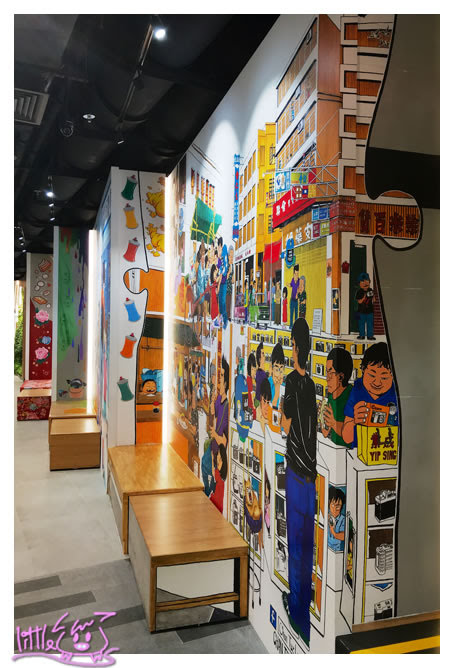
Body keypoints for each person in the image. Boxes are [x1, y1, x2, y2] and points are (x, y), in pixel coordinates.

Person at [280, 317, 317, 645]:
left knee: (295, 545)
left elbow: (285, 426)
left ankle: (296, 612)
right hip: (312, 478)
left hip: (294, 474)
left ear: (294, 346)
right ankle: (306, 612)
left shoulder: (291, 382)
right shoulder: (313, 385)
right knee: (308, 546)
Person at [342, 342, 398, 447]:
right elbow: (347, 438)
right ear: (363, 370)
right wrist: (354, 421)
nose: (377, 383)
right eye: (372, 375)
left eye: (384, 378)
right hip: (359, 452)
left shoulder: (396, 393)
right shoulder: (357, 391)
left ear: (393, 376)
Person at [201, 356, 229, 497]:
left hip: (218, 450)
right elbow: (213, 413)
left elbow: (224, 441)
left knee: (210, 472)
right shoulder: (219, 399)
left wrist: (215, 435)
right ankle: (208, 493)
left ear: (227, 382)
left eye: (221, 376)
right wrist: (212, 402)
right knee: (205, 465)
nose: (218, 379)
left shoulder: (228, 405)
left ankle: (208, 494)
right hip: (213, 447)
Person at [321, 348, 353, 447]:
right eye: (326, 373)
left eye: (331, 373)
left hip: (348, 451)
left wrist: (333, 423)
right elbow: (326, 433)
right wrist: (322, 419)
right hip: (333, 447)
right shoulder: (331, 395)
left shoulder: (352, 395)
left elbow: (352, 434)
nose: (327, 378)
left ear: (341, 377)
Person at [355, 272, 375, 341]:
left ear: (369, 282)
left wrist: (373, 297)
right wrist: (364, 297)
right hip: (361, 311)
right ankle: (362, 335)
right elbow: (359, 302)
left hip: (370, 311)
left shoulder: (370, 290)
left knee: (370, 324)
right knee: (361, 323)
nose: (365, 283)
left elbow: (374, 300)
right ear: (359, 284)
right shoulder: (359, 291)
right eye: (362, 282)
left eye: (367, 281)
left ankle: (370, 336)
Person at [209, 444, 228, 513]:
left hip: (216, 506)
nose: (217, 457)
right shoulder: (219, 474)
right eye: (217, 455)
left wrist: (212, 459)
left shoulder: (218, 475)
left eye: (219, 456)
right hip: (215, 503)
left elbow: (213, 471)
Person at [327, 487, 346, 552]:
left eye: (337, 506)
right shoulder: (327, 515)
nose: (334, 509)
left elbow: (343, 536)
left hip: (336, 550)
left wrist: (332, 530)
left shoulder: (343, 519)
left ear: (341, 506)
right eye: (332, 505)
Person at [269, 343, 285, 410]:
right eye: (276, 369)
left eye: (281, 368)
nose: (279, 374)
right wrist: (277, 391)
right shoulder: (267, 384)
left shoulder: (285, 387)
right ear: (271, 368)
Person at [246, 353, 257, 421]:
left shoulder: (250, 380)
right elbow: (250, 402)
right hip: (249, 415)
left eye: (255, 370)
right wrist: (255, 414)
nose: (254, 373)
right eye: (253, 369)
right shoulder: (248, 381)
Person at [226, 245, 234, 321]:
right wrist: (229, 272)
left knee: (229, 303)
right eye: (230, 256)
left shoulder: (232, 266)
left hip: (230, 288)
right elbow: (225, 278)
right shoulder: (227, 265)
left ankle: (229, 316)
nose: (232, 258)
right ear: (228, 256)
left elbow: (233, 281)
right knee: (226, 302)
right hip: (225, 288)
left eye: (232, 256)